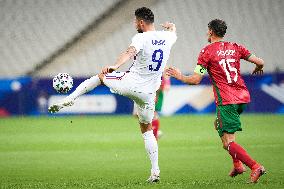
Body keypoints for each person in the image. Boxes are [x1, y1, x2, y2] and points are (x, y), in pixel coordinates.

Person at [48, 7, 177, 182]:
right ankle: (155, 171)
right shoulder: (168, 37)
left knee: (100, 77)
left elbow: (129, 52)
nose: (134, 24)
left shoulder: (140, 37)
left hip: (131, 83)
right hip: (148, 93)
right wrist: (171, 26)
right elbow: (172, 31)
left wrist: (116, 65)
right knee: (147, 130)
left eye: (134, 21)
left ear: (140, 22)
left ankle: (69, 99)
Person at [166, 19, 265, 183]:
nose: (206, 33)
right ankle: (237, 165)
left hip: (227, 100)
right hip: (243, 98)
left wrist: (179, 76)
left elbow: (196, 79)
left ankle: (255, 167)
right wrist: (259, 68)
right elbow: (260, 62)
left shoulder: (206, 52)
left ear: (211, 31)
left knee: (228, 143)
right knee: (218, 125)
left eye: (207, 30)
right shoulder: (235, 47)